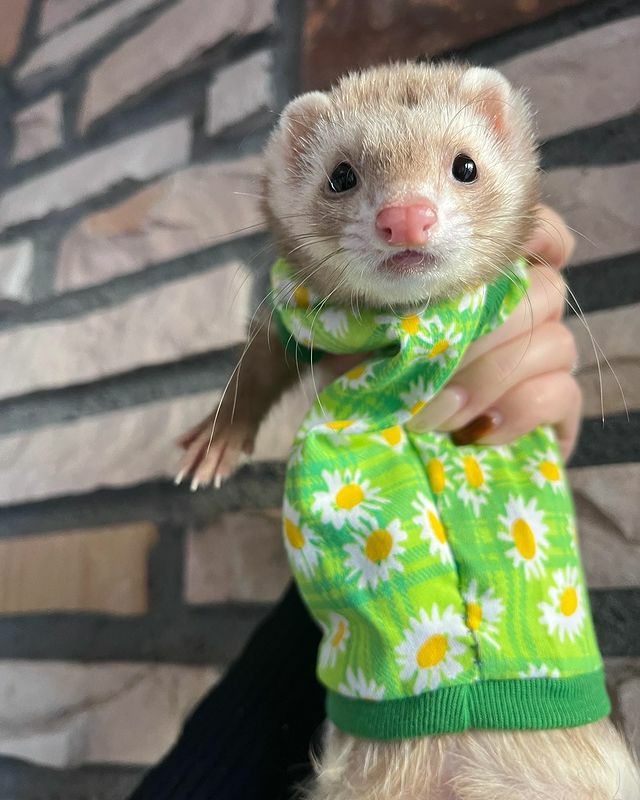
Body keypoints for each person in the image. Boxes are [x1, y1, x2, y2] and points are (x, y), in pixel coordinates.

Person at [130, 205, 579, 800]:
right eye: (343, 180)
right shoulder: (302, 310)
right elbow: (277, 343)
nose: (406, 214)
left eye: (464, 168)